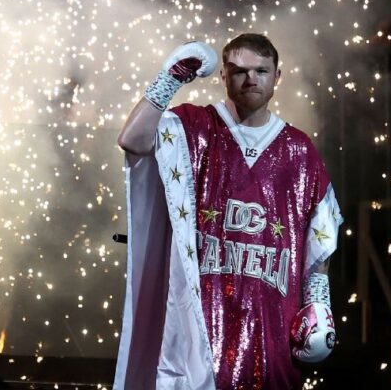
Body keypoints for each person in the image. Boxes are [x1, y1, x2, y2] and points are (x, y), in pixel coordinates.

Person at [113, 34, 343, 390]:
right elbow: (133, 140)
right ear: (222, 75)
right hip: (198, 336)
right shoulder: (194, 125)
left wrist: (318, 305)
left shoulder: (300, 151)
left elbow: (321, 241)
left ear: (277, 76)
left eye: (261, 71)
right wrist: (169, 78)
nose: (251, 79)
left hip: (271, 340)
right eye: (240, 71)